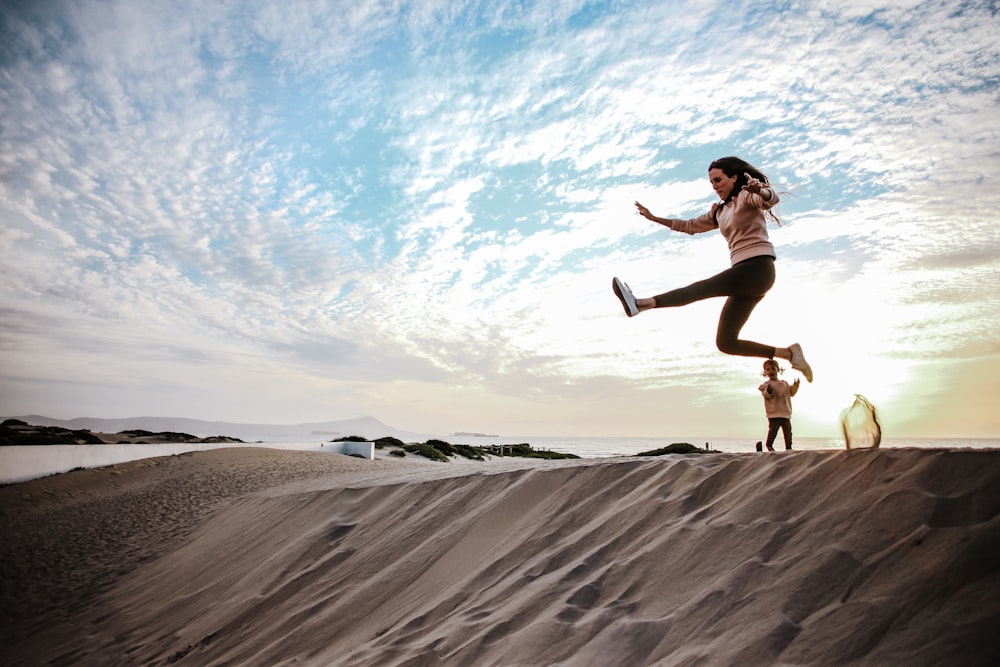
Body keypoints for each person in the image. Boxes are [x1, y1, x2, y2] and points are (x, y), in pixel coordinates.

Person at [612, 156, 813, 382]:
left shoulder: (748, 196)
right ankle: (789, 353)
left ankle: (641, 303)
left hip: (757, 268)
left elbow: (770, 199)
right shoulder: (719, 212)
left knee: (701, 288)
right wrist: (655, 218)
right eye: (711, 183)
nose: (714, 186)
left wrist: (760, 191)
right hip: (744, 276)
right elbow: (689, 226)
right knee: (726, 342)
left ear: (734, 178)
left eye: (718, 180)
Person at [758, 358, 800, 450]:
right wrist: (768, 391)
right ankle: (769, 445)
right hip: (773, 414)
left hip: (785, 413)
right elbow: (766, 394)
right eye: (768, 369)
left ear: (778, 370)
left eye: (773, 368)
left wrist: (795, 386)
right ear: (765, 372)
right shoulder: (767, 384)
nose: (771, 371)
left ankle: (789, 448)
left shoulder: (784, 383)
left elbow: (791, 393)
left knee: (788, 432)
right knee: (773, 431)